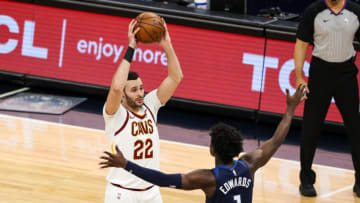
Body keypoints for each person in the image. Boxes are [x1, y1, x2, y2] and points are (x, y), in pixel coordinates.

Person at [99, 85, 306, 203]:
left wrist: (126, 164)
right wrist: (291, 108)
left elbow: (161, 179)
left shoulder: (208, 179)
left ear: (212, 149)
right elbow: (277, 140)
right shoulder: (249, 164)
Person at [102, 18, 183, 203]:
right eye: (133, 89)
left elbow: (176, 77)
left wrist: (167, 45)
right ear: (123, 95)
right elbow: (115, 87)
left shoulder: (150, 105)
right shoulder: (115, 114)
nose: (140, 93)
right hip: (122, 193)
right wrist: (131, 47)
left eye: (141, 88)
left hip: (151, 191)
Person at [294, 0, 360, 197]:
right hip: (320, 73)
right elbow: (301, 44)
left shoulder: (355, 11)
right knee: (310, 128)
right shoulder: (313, 11)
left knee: (356, 129)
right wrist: (299, 77)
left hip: (346, 75)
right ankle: (306, 180)